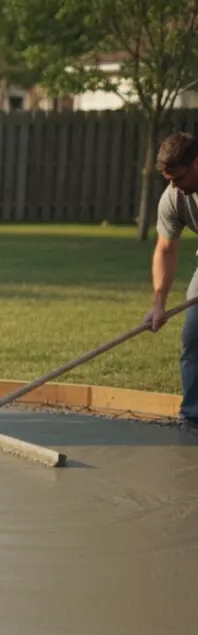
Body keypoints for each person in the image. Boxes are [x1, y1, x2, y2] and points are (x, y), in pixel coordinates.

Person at [145, 131, 198, 432]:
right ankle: (193, 416)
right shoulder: (174, 196)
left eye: (177, 177)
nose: (172, 185)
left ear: (196, 164)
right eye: (168, 179)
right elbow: (166, 249)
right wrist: (158, 303)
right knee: (194, 336)